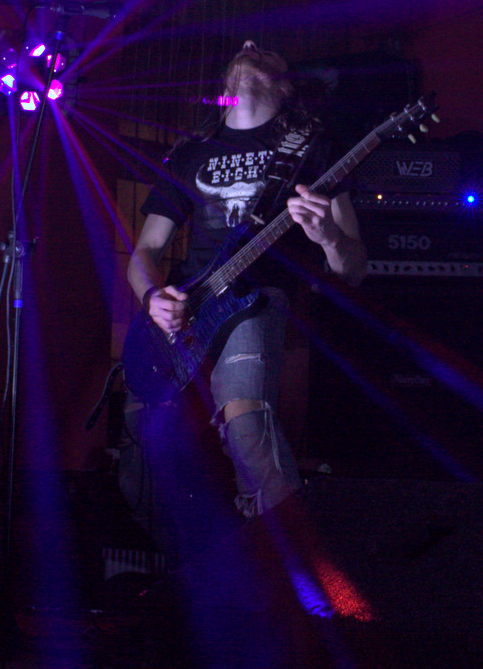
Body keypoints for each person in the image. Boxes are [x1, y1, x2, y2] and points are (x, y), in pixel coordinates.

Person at [122, 41, 366, 556]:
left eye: (266, 47)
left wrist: (327, 237)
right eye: (243, 45)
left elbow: (354, 267)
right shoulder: (190, 152)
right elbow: (145, 251)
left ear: (286, 85)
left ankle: (297, 560)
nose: (249, 45)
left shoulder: (313, 147)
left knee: (247, 426)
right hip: (189, 309)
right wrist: (152, 296)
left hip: (257, 299)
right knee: (142, 443)